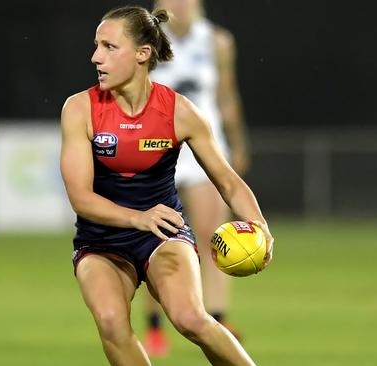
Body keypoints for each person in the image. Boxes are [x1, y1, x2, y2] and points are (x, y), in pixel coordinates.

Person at [60, 5, 273, 366]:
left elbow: (228, 181)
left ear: (143, 54)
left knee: (191, 318)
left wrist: (261, 226)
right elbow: (81, 199)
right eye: (97, 46)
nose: (96, 57)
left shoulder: (179, 111)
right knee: (111, 323)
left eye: (110, 47)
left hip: (163, 234)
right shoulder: (80, 109)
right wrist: (138, 217)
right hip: (101, 240)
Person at [144, 0, 250, 355]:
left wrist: (237, 144)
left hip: (204, 151)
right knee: (155, 242)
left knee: (213, 239)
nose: (180, 4)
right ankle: (156, 328)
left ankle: (218, 320)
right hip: (158, 150)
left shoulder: (217, 41)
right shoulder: (147, 39)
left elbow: (226, 96)